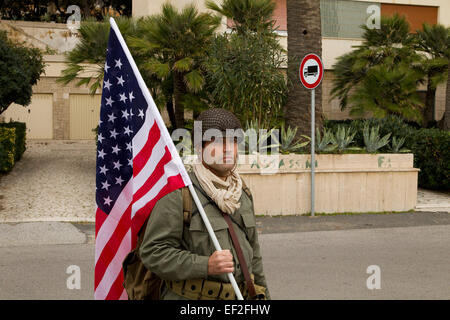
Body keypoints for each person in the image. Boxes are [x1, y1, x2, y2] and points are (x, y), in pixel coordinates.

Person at [138, 108, 270, 300]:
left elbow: (255, 258)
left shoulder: (242, 193)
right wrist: (205, 264)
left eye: (233, 141)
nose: (227, 149)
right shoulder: (180, 194)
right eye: (218, 142)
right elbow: (153, 252)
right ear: (200, 149)